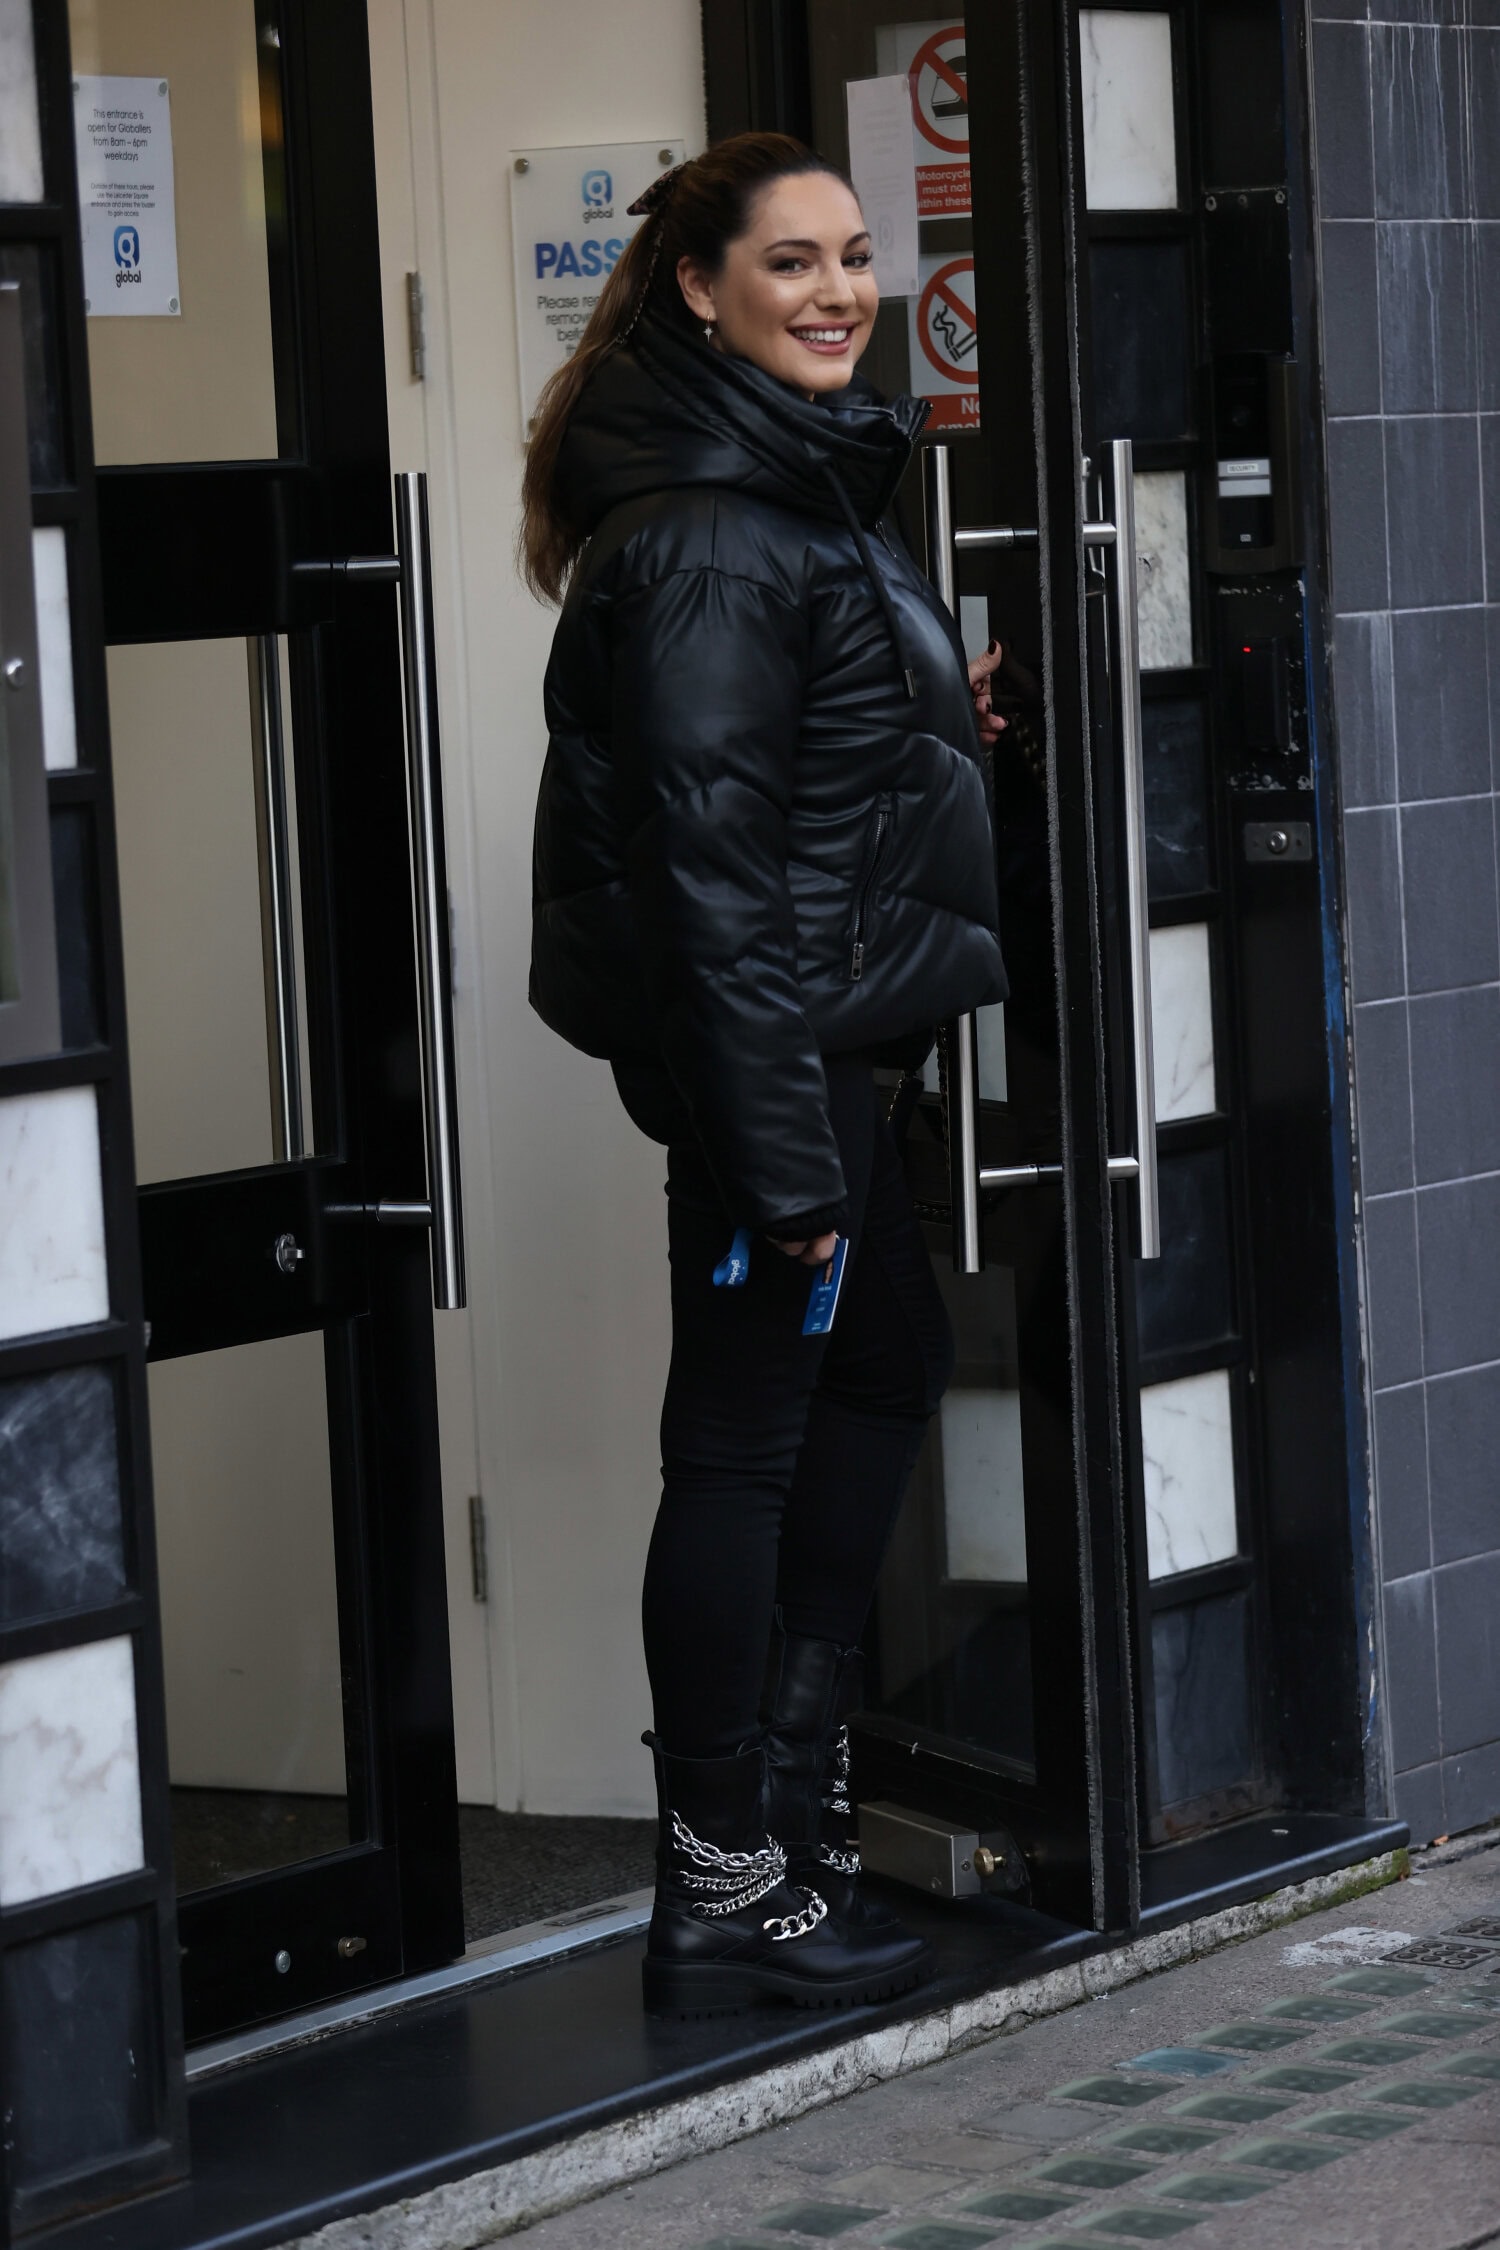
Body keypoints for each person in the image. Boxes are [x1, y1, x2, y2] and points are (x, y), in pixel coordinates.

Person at [523, 132, 1007, 2018]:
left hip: (821, 1054)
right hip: (778, 1068)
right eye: (790, 261)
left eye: (854, 254)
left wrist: (932, 727)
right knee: (736, 1450)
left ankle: (790, 1818)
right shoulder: (720, 532)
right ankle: (724, 1876)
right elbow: (709, 871)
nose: (837, 291)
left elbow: (783, 786)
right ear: (698, 289)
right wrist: (780, 1157)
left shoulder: (779, 488)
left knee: (878, 1374)